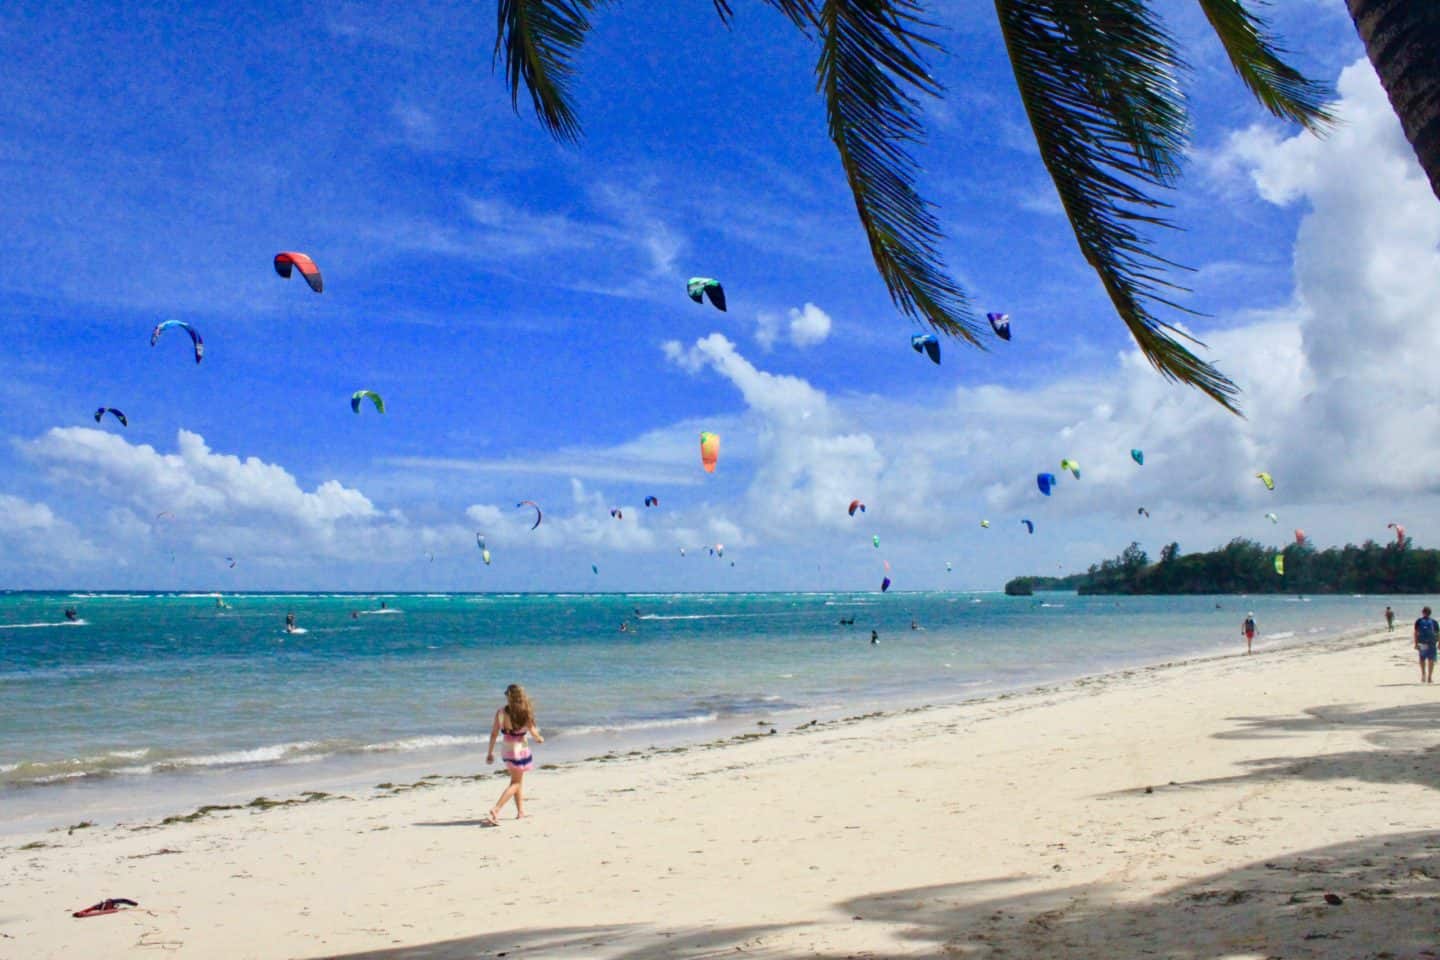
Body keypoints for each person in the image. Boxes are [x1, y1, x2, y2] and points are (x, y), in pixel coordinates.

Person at [485, 684, 543, 824]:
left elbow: (494, 734)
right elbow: (534, 732)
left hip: (506, 749)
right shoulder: (525, 712)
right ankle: (496, 809)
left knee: (517, 780)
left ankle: (520, 812)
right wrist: (539, 739)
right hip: (520, 751)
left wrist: (490, 752)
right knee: (516, 782)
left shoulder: (500, 712)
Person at [1413, 606, 1438, 684]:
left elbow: (1416, 633)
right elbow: (1438, 633)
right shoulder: (1434, 622)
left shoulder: (1419, 621)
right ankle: (1429, 677)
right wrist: (1439, 643)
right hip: (1432, 643)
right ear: (1430, 613)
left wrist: (1416, 643)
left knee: (1422, 659)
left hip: (1422, 643)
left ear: (1423, 612)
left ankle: (1423, 674)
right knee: (1431, 660)